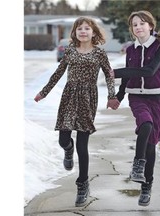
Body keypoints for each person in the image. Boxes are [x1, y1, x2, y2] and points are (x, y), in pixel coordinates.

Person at [34, 16, 120, 207]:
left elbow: (109, 75)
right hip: (69, 95)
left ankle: (82, 184)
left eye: (87, 28)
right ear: (74, 32)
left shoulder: (99, 53)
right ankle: (67, 150)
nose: (83, 31)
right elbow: (58, 73)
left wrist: (111, 96)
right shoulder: (70, 51)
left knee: (83, 144)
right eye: (79, 28)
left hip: (89, 98)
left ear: (93, 32)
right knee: (63, 138)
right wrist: (44, 92)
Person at [111, 10, 160, 206]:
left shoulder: (159, 46)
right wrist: (119, 96)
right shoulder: (131, 49)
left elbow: (149, 71)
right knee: (145, 125)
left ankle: (146, 187)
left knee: (151, 144)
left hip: (156, 98)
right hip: (136, 97)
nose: (138, 27)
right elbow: (128, 77)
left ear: (150, 25)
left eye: (142, 23)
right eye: (134, 25)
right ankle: (138, 165)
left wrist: (114, 72)